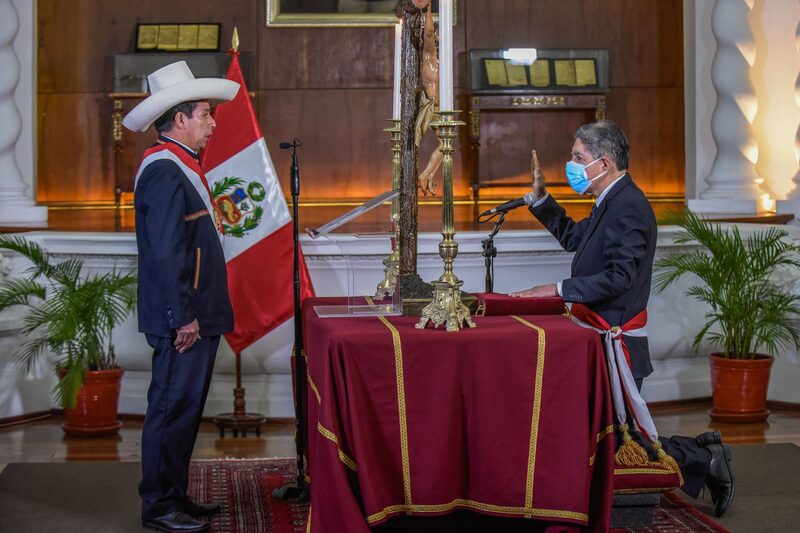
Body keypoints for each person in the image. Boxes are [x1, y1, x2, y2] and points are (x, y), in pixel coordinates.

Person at [511, 119, 735, 517]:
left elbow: (620, 278)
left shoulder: (628, 205)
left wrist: (557, 289)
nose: (571, 165)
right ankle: (701, 455)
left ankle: (705, 458)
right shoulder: (610, 200)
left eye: (578, 157)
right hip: (596, 335)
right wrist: (542, 201)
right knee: (610, 434)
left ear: (604, 162)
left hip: (617, 340)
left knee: (625, 440)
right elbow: (576, 239)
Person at [122, 61, 239, 532]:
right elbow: (165, 252)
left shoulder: (179, 163)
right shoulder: (164, 171)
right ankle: (158, 506)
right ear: (179, 118)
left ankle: (173, 494)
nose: (212, 124)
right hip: (183, 319)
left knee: (184, 412)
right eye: (206, 114)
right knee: (170, 410)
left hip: (195, 313)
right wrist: (181, 317)